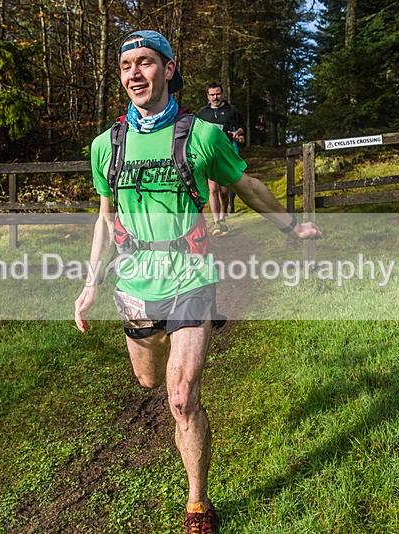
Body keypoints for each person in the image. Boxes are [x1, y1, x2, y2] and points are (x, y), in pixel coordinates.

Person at [74, 30, 321, 534]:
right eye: (126, 66)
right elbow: (103, 219)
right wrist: (91, 282)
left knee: (181, 396)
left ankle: (198, 506)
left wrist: (291, 225)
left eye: (145, 62)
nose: (135, 74)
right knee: (150, 380)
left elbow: (246, 184)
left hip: (192, 274)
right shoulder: (106, 146)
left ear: (168, 68)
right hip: (137, 282)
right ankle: (169, 373)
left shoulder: (202, 135)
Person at [196, 83, 245, 235]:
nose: (215, 97)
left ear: (222, 94)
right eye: (212, 94)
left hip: (227, 152)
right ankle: (217, 222)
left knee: (224, 190)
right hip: (209, 154)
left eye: (217, 94)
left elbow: (242, 127)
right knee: (213, 188)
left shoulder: (231, 110)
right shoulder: (202, 113)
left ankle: (223, 217)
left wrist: (238, 133)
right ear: (207, 96)